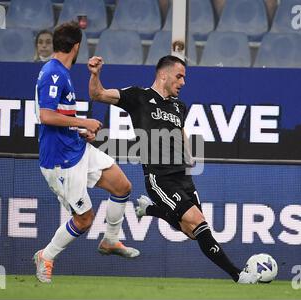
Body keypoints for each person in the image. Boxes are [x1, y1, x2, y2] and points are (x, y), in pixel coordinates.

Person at [88, 54, 259, 284]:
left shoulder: (180, 106)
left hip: (183, 176)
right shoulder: (138, 96)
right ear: (163, 74)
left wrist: (189, 155)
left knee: (189, 231)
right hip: (160, 178)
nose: (183, 82)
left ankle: (149, 210)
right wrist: (95, 74)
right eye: (179, 76)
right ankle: (238, 275)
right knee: (198, 223)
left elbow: (179, 131)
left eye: (184, 78)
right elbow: (97, 94)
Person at [33, 21, 139, 284]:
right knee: (84, 220)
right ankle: (46, 256)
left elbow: (62, 114)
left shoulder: (62, 72)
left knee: (122, 186)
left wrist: (80, 130)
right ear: (77, 46)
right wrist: (85, 122)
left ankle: (111, 241)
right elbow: (45, 116)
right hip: (61, 161)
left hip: (76, 147)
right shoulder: (53, 74)